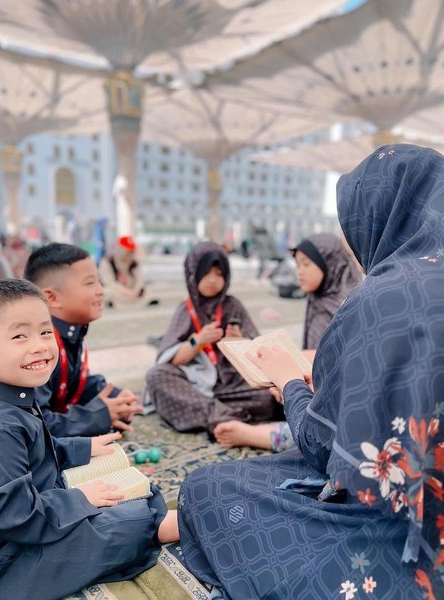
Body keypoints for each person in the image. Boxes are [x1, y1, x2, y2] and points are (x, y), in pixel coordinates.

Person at [178, 145, 444, 599]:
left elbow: (327, 447)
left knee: (208, 488)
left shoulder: (383, 298)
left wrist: (289, 383)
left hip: (412, 537)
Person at [0, 279, 178, 600]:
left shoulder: (10, 394)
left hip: (28, 518)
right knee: (132, 523)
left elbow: (35, 454)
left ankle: (147, 516)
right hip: (3, 562)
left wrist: (85, 447)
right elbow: (19, 520)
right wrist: (80, 498)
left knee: (132, 493)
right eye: (20, 336)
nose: (39, 345)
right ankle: (156, 524)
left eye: (45, 331)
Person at [214, 232, 362, 450]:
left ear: (330, 263)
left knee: (326, 432)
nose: (299, 272)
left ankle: (266, 434)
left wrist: (291, 378)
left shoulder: (346, 306)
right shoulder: (319, 299)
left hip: (338, 399)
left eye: (306, 264)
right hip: (307, 382)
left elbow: (340, 365)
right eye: (297, 265)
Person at [145, 241, 278, 433]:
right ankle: (223, 415)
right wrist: (197, 341)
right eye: (206, 273)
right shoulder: (186, 309)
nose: (213, 280)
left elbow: (259, 353)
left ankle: (216, 415)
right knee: (156, 376)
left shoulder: (233, 306)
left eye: (219, 274)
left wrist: (240, 343)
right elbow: (170, 359)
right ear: (193, 275)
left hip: (234, 386)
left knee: (269, 394)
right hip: (195, 386)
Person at [24, 243, 142, 437]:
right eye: (90, 283)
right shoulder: (36, 348)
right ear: (52, 298)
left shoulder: (68, 332)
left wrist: (114, 398)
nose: (101, 291)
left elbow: (74, 381)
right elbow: (36, 425)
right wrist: (97, 416)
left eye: (99, 282)